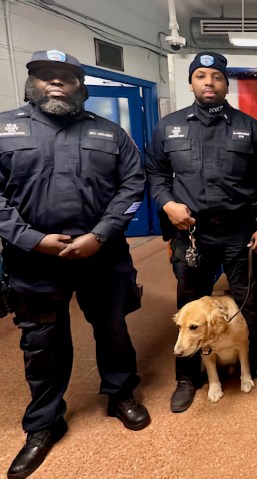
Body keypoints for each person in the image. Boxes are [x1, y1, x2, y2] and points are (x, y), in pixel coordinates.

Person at [0, 50, 150, 479]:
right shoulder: (5, 128)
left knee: (113, 328)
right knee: (42, 342)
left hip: (100, 255)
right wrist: (33, 239)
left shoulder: (110, 134)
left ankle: (120, 394)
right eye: (46, 76)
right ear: (33, 82)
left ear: (80, 86)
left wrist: (99, 235)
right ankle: (43, 423)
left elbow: (131, 185)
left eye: (65, 77)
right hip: (33, 260)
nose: (56, 83)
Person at [145, 52, 257, 413]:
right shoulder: (169, 127)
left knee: (254, 303)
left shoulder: (248, 127)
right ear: (191, 82)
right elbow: (155, 173)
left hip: (241, 234)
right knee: (189, 308)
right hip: (192, 235)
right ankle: (187, 378)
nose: (209, 82)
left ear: (226, 84)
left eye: (216, 77)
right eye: (201, 76)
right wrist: (167, 204)